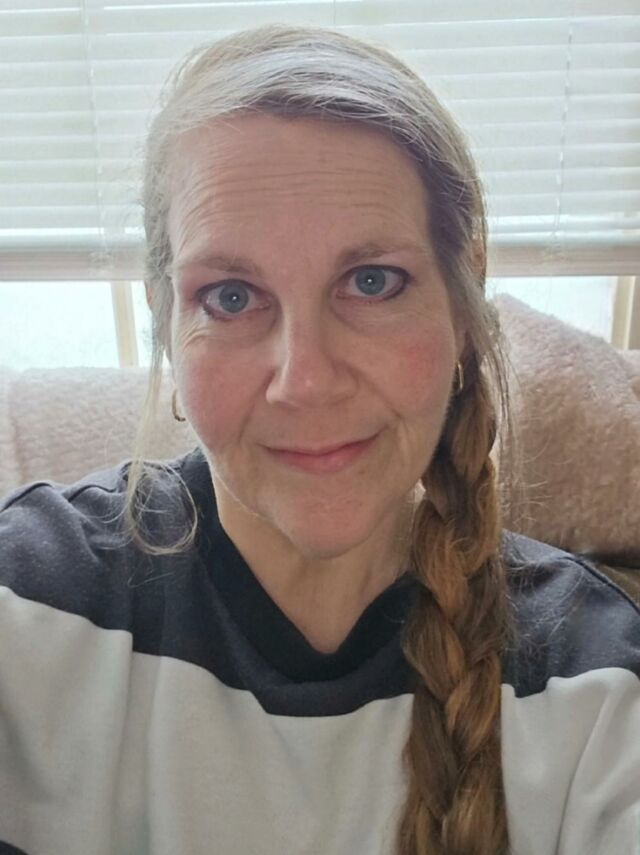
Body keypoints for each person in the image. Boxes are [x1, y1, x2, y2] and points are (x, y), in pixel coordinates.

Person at [0, 23, 638, 855]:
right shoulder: (30, 607)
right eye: (231, 297)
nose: (304, 380)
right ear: (166, 325)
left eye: (372, 282)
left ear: (462, 306)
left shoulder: (598, 685)